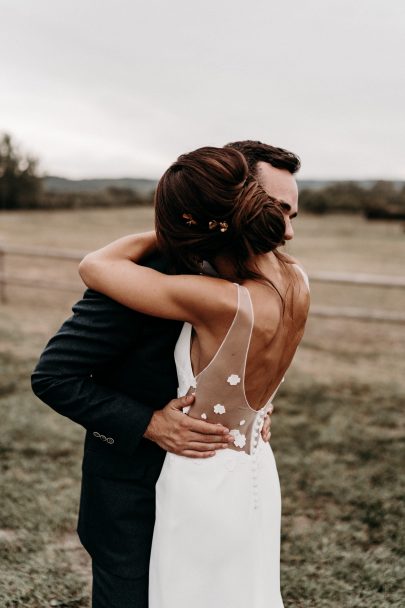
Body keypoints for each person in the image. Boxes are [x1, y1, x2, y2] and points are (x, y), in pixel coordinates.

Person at [31, 140, 284, 608]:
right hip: (134, 500)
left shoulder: (254, 279)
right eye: (276, 208)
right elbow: (54, 376)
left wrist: (250, 405)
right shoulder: (139, 274)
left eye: (291, 215)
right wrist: (150, 423)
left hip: (210, 498)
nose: (284, 230)